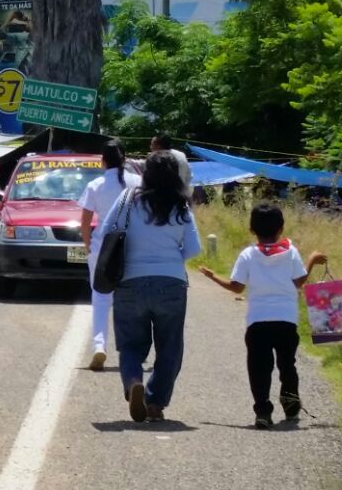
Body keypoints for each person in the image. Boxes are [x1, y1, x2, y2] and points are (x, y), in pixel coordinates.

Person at [95, 152, 202, 423]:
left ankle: (134, 382)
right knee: (170, 347)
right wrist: (170, 257)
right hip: (171, 283)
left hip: (130, 281)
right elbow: (193, 249)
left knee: (130, 344)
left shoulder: (128, 199)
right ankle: (155, 402)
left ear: (146, 174)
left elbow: (106, 232)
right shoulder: (181, 206)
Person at [199, 204, 327, 428]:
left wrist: (213, 276)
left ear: (252, 229)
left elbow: (237, 287)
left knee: (259, 368)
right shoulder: (291, 252)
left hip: (257, 321)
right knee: (287, 365)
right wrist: (312, 260)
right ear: (281, 228)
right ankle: (291, 406)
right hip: (286, 321)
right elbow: (299, 281)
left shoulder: (248, 255)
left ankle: (263, 412)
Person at [78, 140, 143, 371]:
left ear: (102, 161)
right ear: (124, 159)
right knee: (132, 300)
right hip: (133, 246)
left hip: (102, 247)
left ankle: (99, 346)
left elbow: (85, 221)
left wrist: (88, 245)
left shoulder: (95, 185)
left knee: (100, 298)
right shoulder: (138, 182)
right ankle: (133, 349)